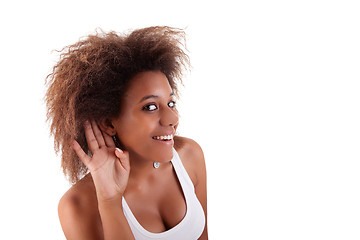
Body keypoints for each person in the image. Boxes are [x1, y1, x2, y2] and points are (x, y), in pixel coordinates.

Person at [45, 26, 208, 240]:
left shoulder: (190, 156)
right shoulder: (78, 204)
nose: (172, 119)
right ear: (109, 124)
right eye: (150, 107)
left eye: (170, 102)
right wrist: (110, 200)